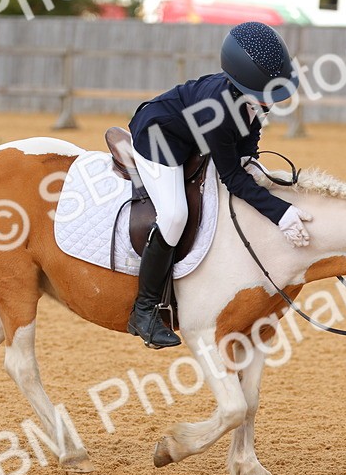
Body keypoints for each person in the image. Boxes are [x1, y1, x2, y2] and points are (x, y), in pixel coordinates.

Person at [125, 21, 313, 349]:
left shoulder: (251, 97)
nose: (269, 103)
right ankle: (144, 311)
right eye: (265, 96)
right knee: (174, 216)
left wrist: (255, 162)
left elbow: (248, 141)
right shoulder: (221, 110)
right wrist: (281, 213)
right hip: (158, 139)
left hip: (191, 136)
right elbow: (233, 177)